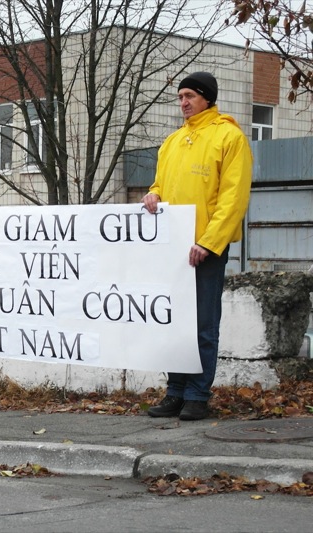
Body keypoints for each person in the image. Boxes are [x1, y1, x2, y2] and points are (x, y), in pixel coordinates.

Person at [143, 71, 252, 421]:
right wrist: (153, 193)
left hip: (205, 249)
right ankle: (175, 391)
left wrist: (209, 242)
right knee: (176, 323)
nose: (184, 103)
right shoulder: (173, 142)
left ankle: (197, 394)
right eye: (180, 97)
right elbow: (161, 182)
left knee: (203, 324)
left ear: (207, 97)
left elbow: (233, 199)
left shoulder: (229, 137)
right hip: (173, 249)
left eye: (190, 95)